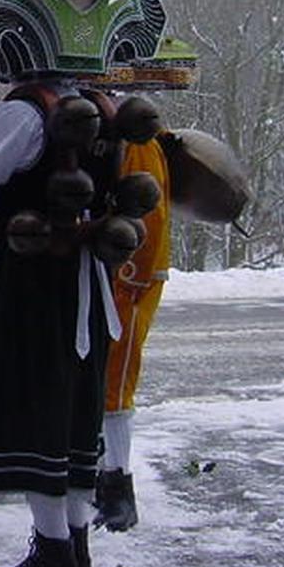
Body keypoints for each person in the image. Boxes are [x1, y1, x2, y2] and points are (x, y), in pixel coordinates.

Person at [0, 83, 124, 567]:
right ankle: (73, 544)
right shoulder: (106, 104)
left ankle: (53, 553)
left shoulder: (20, 111)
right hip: (86, 278)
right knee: (71, 406)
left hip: (31, 278)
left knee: (36, 404)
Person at [96, 132, 172, 531]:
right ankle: (98, 474)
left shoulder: (137, 141)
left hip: (126, 280)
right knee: (97, 382)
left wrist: (131, 276)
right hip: (109, 275)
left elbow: (150, 214)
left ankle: (118, 482)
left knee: (116, 383)